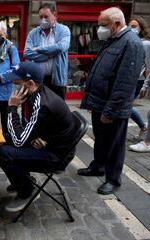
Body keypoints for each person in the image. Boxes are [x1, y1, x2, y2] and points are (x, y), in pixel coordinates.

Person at [0, 61, 80, 212]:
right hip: (50, 143)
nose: (14, 88)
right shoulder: (37, 93)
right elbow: (29, 129)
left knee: (3, 153)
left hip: (57, 156)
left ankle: (26, 191)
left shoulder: (42, 104)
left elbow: (19, 141)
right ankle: (22, 179)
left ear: (30, 83)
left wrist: (12, 108)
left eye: (17, 83)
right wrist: (41, 136)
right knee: (0, 139)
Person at [77, 7, 145, 195]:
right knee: (100, 140)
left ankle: (113, 179)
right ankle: (98, 166)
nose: (100, 29)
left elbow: (125, 82)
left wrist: (110, 110)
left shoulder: (131, 43)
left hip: (113, 106)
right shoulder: (112, 39)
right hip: (100, 102)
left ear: (116, 23)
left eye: (103, 25)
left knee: (114, 144)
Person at [23, 3, 70, 99]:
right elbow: (27, 53)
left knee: (56, 111)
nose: (43, 20)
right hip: (37, 80)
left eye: (46, 16)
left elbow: (61, 47)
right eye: (41, 17)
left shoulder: (63, 30)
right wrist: (48, 55)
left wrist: (38, 49)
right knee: (38, 110)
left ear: (54, 15)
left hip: (57, 80)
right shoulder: (33, 33)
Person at [129, 17, 150, 152]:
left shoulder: (146, 44)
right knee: (126, 105)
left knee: (125, 105)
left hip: (138, 79)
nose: (132, 28)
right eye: (130, 25)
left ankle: (144, 129)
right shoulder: (131, 41)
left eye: (134, 26)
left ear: (141, 28)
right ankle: (143, 128)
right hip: (131, 78)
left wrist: (145, 85)